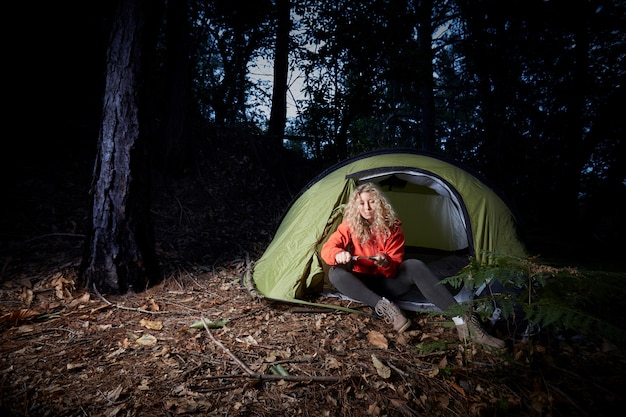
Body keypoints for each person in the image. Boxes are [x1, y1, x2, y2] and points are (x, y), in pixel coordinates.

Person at [321, 182, 505, 349]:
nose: (367, 208)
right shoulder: (348, 226)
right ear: (356, 206)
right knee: (335, 273)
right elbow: (327, 249)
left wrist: (386, 261)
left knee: (414, 265)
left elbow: (393, 268)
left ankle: (462, 321)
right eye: (361, 203)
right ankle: (385, 308)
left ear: (380, 203)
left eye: (372, 202)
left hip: (387, 282)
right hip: (362, 284)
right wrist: (338, 254)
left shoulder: (392, 227)